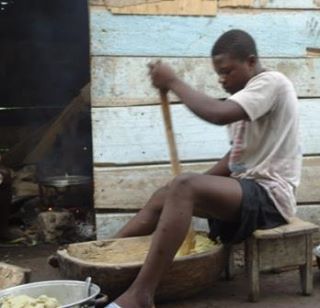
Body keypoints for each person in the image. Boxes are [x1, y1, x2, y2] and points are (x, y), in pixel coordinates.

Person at [106, 29, 302, 308]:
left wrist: (173, 81)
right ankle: (99, 258)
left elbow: (217, 114)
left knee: (184, 186)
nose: (221, 80)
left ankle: (141, 294)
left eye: (227, 71)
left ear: (250, 61)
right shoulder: (245, 99)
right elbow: (235, 158)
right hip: (247, 191)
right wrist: (183, 187)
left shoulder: (272, 82)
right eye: (218, 74)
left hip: (270, 198)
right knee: (169, 191)